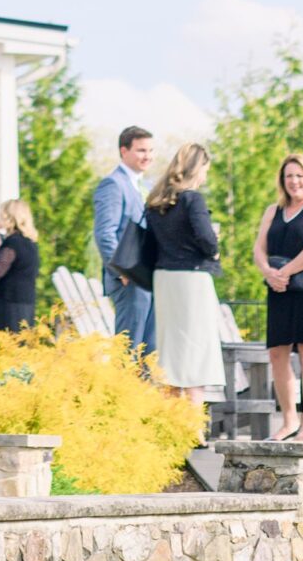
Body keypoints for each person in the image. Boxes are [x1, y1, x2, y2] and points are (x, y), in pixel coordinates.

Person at [252, 152, 303, 439]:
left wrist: (285, 270)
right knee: (277, 352)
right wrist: (269, 272)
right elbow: (259, 249)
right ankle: (288, 420)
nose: (294, 181)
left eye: (299, 175)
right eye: (289, 176)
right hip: (279, 287)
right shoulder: (273, 211)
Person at [143, 142, 223, 404]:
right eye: (205, 170)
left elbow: (151, 246)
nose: (205, 176)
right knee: (196, 349)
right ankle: (194, 424)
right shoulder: (192, 199)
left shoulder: (156, 202)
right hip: (192, 278)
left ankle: (173, 419)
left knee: (172, 351)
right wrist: (215, 245)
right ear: (197, 168)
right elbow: (206, 239)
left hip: (164, 278)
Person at [93, 126, 156, 356]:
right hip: (128, 279)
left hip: (149, 277)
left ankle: (144, 392)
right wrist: (123, 272)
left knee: (149, 349)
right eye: (141, 150)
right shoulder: (112, 184)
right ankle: (123, 391)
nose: (147, 156)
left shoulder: (146, 187)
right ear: (124, 150)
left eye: (150, 150)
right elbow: (104, 232)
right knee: (129, 349)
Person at [0, 197, 40, 334]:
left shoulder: (13, 243)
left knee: (3, 349)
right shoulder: (29, 243)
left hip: (8, 306)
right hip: (25, 304)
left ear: (9, 217)